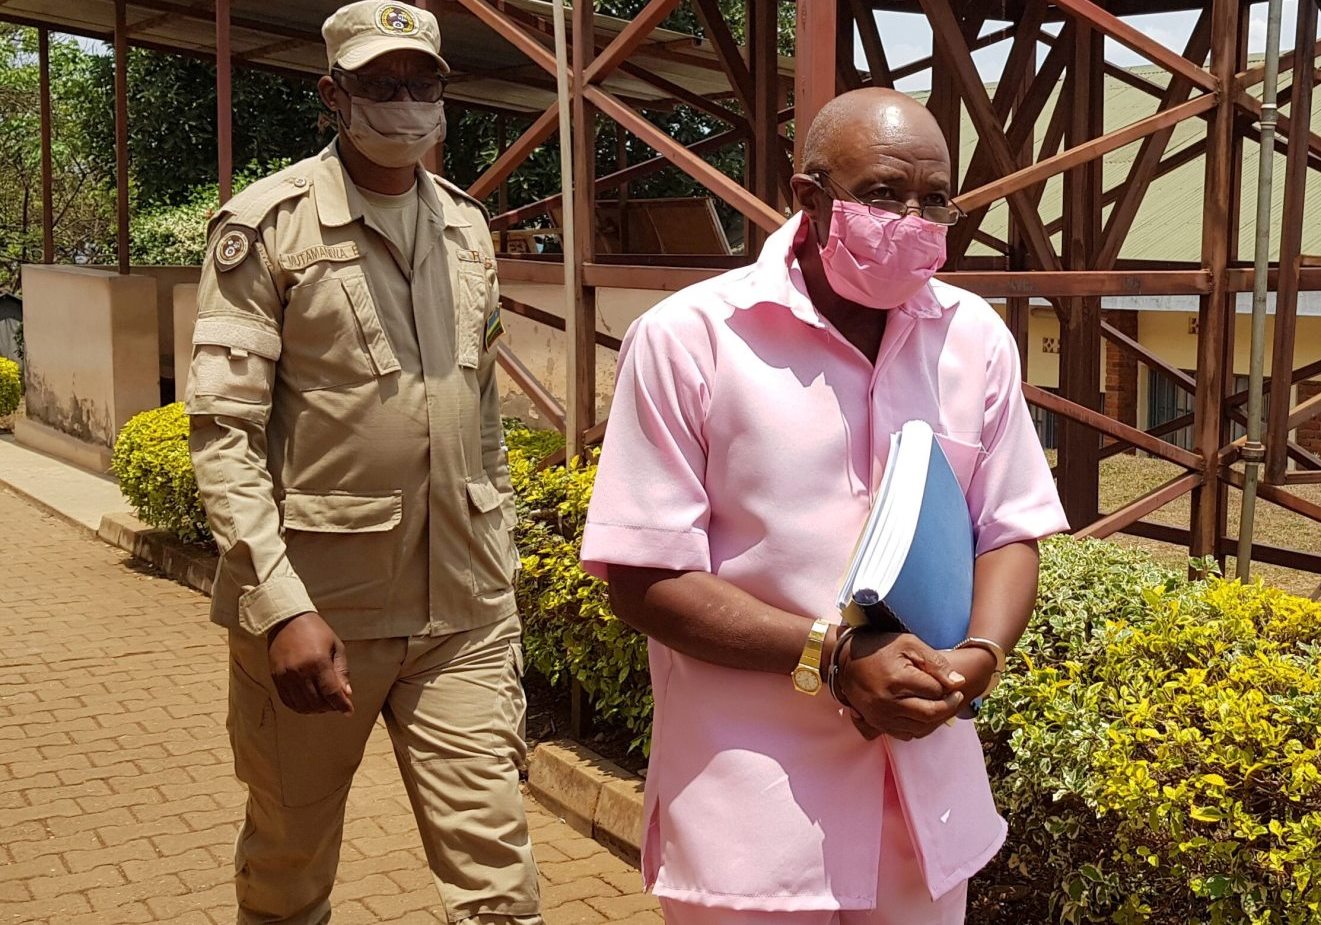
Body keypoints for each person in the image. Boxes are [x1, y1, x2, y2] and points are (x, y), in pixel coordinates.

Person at [580, 87, 1070, 924]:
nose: (911, 219)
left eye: (934, 199)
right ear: (808, 197)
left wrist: (978, 658)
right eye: (882, 193)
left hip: (923, 803)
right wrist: (834, 654)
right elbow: (642, 576)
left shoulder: (973, 336)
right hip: (754, 811)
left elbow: (1009, 528)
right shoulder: (690, 338)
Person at [185, 3, 540, 923]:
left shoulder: (465, 226)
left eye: (423, 84)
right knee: (289, 863)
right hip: (319, 611)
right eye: (382, 85)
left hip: (464, 611)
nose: (407, 103)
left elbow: (481, 410)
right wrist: (279, 607)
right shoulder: (268, 226)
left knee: (499, 881)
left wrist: (500, 564)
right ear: (333, 95)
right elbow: (224, 434)